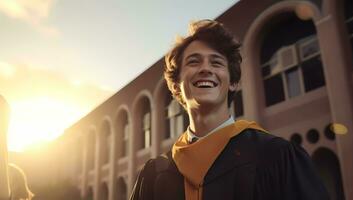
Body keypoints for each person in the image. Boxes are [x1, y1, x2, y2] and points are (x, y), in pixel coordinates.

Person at [130, 19, 329, 200]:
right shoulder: (154, 174)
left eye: (216, 62)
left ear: (233, 82)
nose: (205, 69)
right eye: (194, 61)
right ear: (176, 86)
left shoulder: (276, 156)